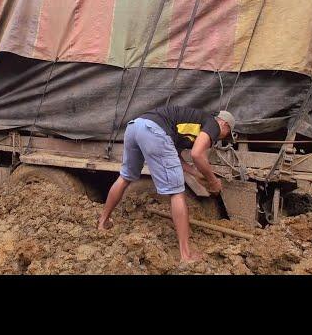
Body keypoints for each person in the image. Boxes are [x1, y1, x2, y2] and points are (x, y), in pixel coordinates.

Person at [97, 105, 236, 262]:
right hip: (155, 131)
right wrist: (213, 180)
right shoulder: (213, 124)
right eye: (226, 135)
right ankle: (186, 255)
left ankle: (103, 222)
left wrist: (196, 174)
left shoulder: (191, 124)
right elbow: (197, 154)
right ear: (224, 124)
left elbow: (174, 155)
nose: (221, 138)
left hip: (135, 127)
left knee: (125, 177)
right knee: (177, 193)